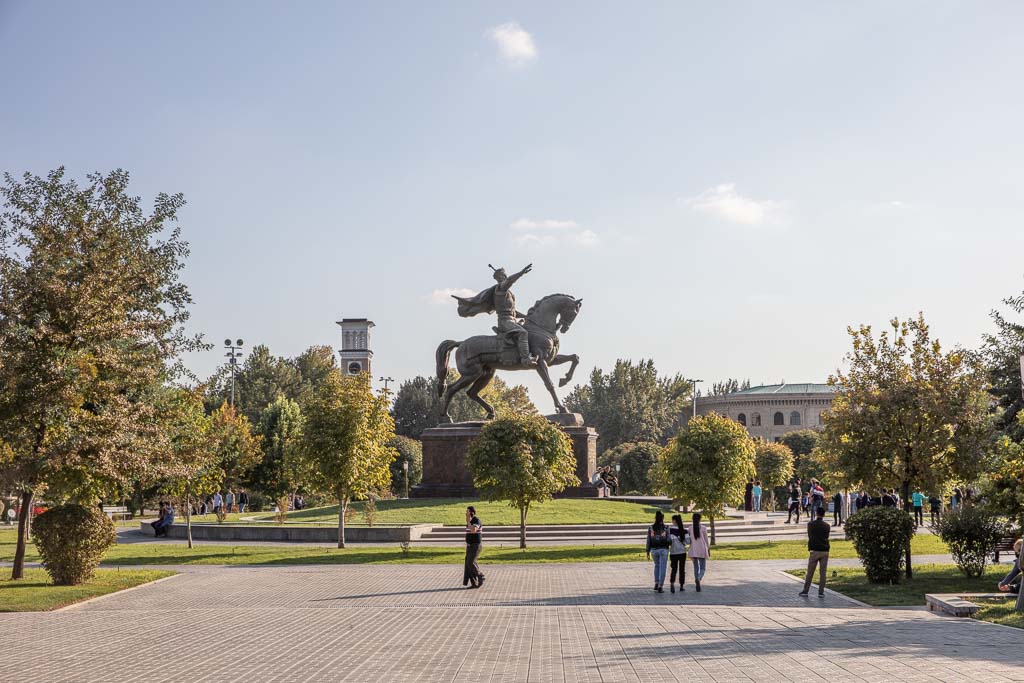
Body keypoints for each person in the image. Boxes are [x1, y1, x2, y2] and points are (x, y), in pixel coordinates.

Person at [800, 507, 831, 597]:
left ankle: (806, 591)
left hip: (815, 550)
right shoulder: (827, 526)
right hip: (825, 550)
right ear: (824, 514)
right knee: (823, 572)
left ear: (816, 513)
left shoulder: (811, 524)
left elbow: (810, 535)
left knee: (810, 572)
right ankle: (821, 592)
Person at [646, 510, 671, 593]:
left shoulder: (651, 528)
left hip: (654, 550)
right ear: (663, 518)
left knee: (657, 565)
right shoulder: (666, 528)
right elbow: (669, 540)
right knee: (663, 567)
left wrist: (647, 551)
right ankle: (660, 585)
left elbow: (648, 540)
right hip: (664, 549)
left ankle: (656, 583)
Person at [463, 506, 484, 588]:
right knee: (468, 564)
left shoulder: (476, 520)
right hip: (470, 546)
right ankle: (474, 583)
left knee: (470, 562)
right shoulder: (470, 521)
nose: (466, 514)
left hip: (475, 545)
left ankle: (480, 575)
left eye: (467, 512)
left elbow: (473, 530)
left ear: (472, 513)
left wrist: (468, 522)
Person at [689, 512, 710, 592]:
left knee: (695, 567)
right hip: (702, 549)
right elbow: (706, 540)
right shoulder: (703, 528)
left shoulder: (690, 528)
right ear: (700, 519)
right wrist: (708, 549)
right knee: (703, 568)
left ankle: (696, 579)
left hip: (693, 550)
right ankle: (699, 578)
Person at [668, 514, 690, 593]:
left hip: (673, 552)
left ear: (674, 521)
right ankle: (681, 586)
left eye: (672, 520)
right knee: (682, 569)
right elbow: (688, 542)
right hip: (682, 552)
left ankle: (672, 583)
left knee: (674, 569)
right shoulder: (684, 531)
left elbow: (668, 541)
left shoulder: (669, 531)